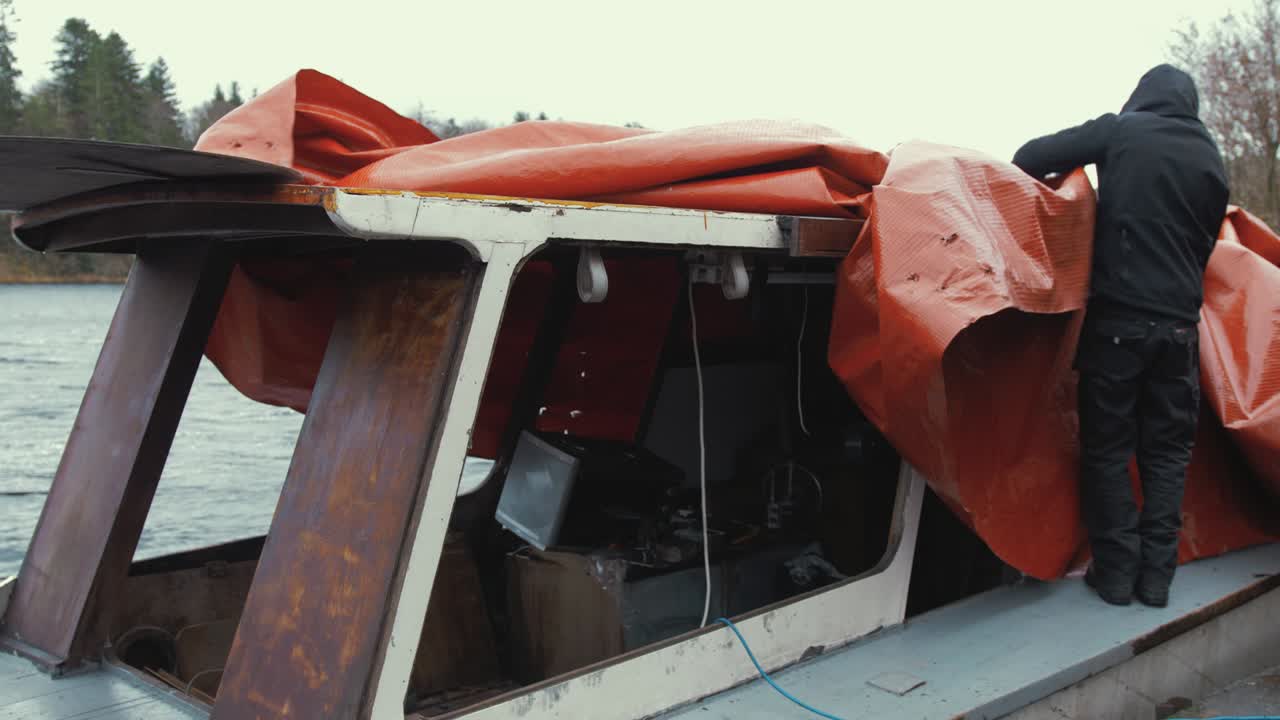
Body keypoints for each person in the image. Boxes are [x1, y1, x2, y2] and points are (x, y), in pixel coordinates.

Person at [1011, 64, 1229, 607]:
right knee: (1166, 454)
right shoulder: (1211, 159)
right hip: (1180, 331)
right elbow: (1204, 245)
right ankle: (1156, 580)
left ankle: (1114, 574)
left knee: (1108, 451)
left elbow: (1030, 156)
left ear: (1142, 97)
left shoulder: (1123, 131)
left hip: (1117, 327)